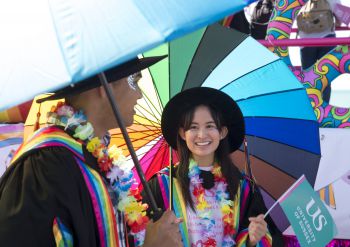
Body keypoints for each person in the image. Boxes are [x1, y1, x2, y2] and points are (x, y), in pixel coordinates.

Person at [0, 56, 182, 247]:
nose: (140, 95)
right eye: (134, 82)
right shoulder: (44, 165)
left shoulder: (100, 160)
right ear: (106, 89)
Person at [143, 87, 283, 246]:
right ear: (183, 133)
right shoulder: (162, 185)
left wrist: (252, 239)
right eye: (193, 127)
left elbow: (270, 237)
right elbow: (141, 237)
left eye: (210, 126)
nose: (202, 135)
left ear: (222, 132)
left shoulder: (242, 187)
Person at [297, 0, 341, 102]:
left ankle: (310, 105)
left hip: (306, 42)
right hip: (327, 39)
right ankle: (323, 107)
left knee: (307, 77)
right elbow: (340, 21)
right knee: (325, 77)